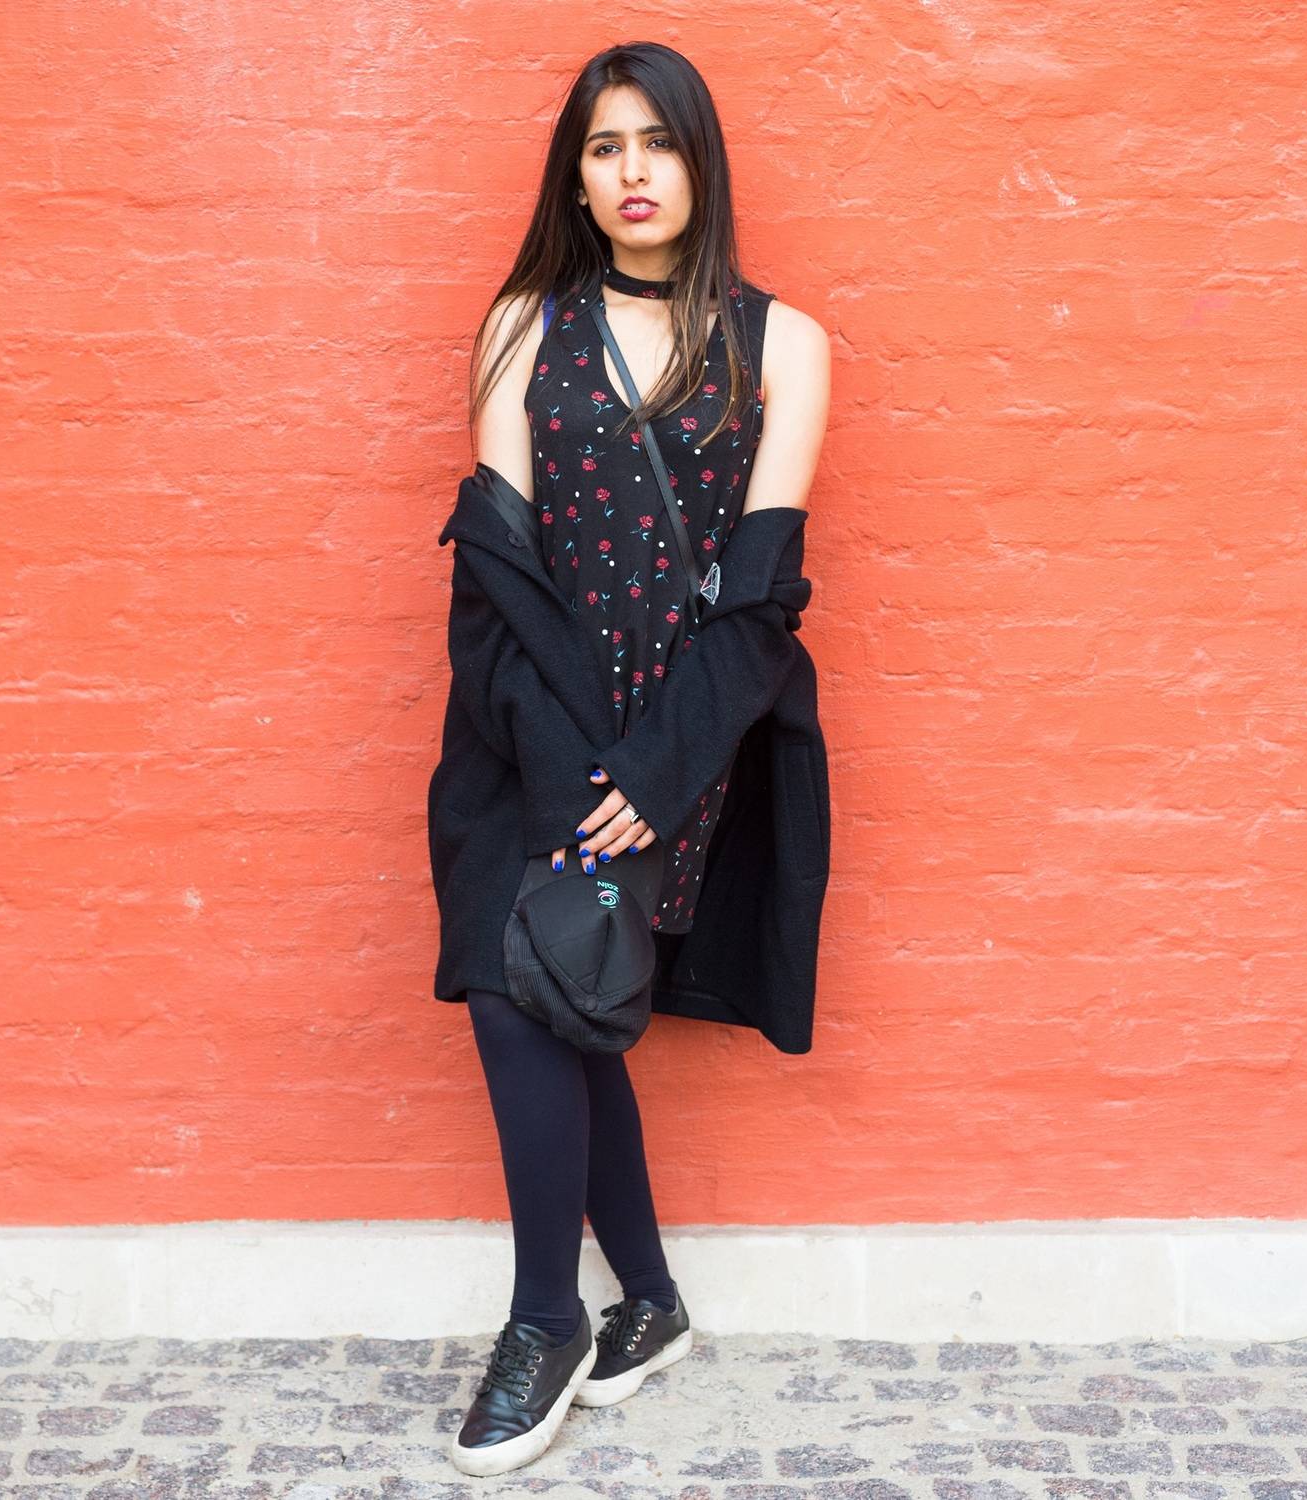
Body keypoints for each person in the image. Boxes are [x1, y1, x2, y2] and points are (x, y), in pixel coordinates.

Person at [438, 42, 831, 1478]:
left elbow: (758, 603)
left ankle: (635, 1309)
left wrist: (654, 777)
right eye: (605, 148)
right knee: (517, 991)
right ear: (577, 178)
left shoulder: (783, 344)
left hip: (681, 744)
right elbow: (497, 571)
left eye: (657, 143)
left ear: (699, 161)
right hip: (523, 725)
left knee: (567, 993)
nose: (632, 172)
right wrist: (570, 770)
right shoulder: (521, 328)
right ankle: (564, 1317)